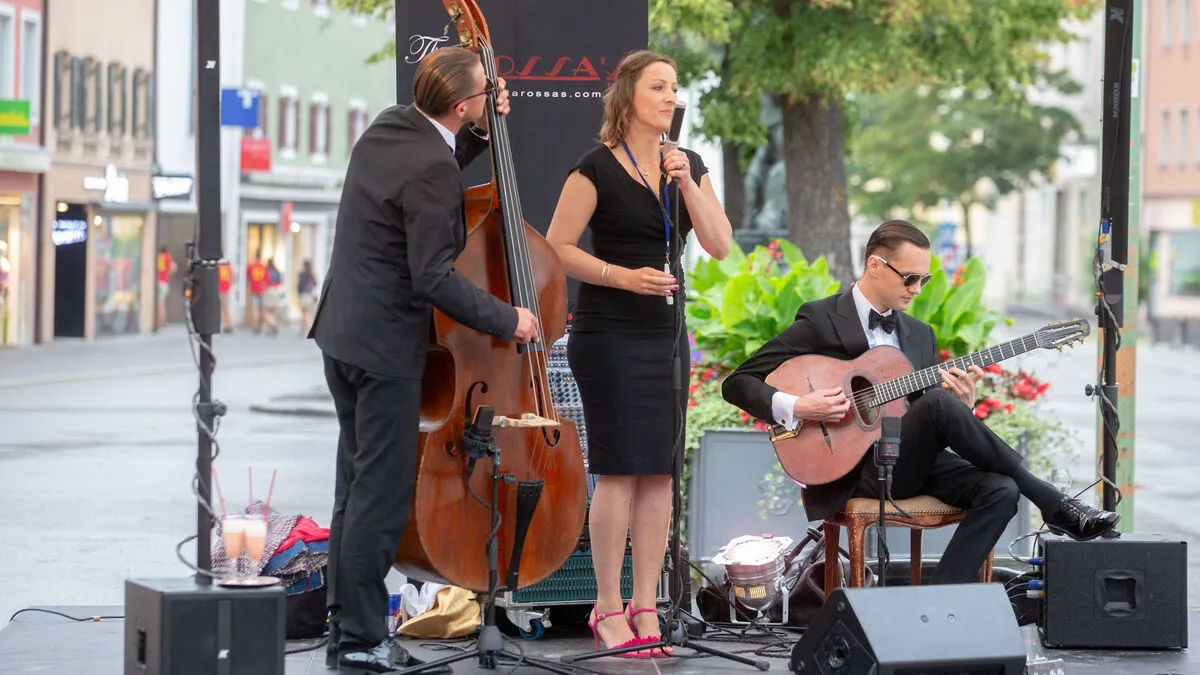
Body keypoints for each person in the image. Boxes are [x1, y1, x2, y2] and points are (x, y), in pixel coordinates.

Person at [721, 220, 1119, 585]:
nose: (917, 289)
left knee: (1000, 491)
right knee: (937, 407)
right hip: (849, 470)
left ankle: (938, 603)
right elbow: (738, 383)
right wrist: (800, 406)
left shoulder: (919, 334)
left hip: (906, 462)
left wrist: (965, 402)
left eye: (924, 280)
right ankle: (1054, 502)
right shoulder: (822, 319)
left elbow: (928, 417)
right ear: (875, 265)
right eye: (910, 278)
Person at [308, 46, 538, 674]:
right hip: (385, 348)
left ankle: (345, 626)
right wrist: (508, 317)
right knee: (380, 495)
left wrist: (481, 131)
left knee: (353, 486)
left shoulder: (388, 127)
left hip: (343, 335)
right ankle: (360, 639)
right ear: (463, 107)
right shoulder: (434, 166)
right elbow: (433, 276)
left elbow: (429, 171)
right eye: (482, 102)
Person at [545, 49, 732, 657]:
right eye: (659, 87)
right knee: (620, 468)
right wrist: (622, 276)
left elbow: (720, 244)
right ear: (628, 97)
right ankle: (606, 602)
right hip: (608, 332)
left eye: (675, 89)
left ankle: (646, 600)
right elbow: (557, 249)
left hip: (663, 334)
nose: (671, 98)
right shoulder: (594, 168)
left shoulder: (688, 165)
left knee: (659, 469)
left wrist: (686, 183)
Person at [155, 246, 177, 330]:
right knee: (161, 302)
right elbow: (173, 267)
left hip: (159, 282)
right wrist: (168, 274)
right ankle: (162, 320)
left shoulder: (158, 256)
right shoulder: (167, 256)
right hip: (164, 282)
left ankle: (160, 320)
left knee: (159, 302)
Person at [297, 259, 318, 337]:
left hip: (304, 295)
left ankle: (309, 329)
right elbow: (316, 284)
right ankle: (302, 331)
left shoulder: (302, 274)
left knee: (304, 314)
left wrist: (299, 294)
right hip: (310, 296)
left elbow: (299, 286)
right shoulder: (312, 274)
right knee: (306, 314)